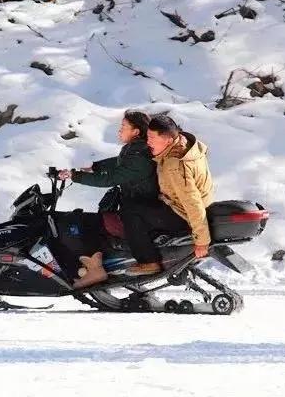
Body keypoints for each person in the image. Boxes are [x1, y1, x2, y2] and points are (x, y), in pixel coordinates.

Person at [57, 111, 159, 288]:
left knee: (87, 222)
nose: (119, 131)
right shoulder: (136, 150)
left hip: (139, 213)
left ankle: (95, 270)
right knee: (92, 219)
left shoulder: (139, 155)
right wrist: (94, 167)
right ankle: (93, 266)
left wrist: (76, 176)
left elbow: (110, 179)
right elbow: (117, 163)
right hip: (135, 207)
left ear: (136, 132)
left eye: (123, 127)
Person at [123, 115, 214, 275]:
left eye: (151, 138)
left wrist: (202, 241)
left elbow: (192, 202)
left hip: (183, 215)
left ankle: (149, 262)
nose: (148, 141)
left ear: (169, 140)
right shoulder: (184, 144)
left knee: (131, 210)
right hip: (180, 206)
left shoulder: (175, 166)